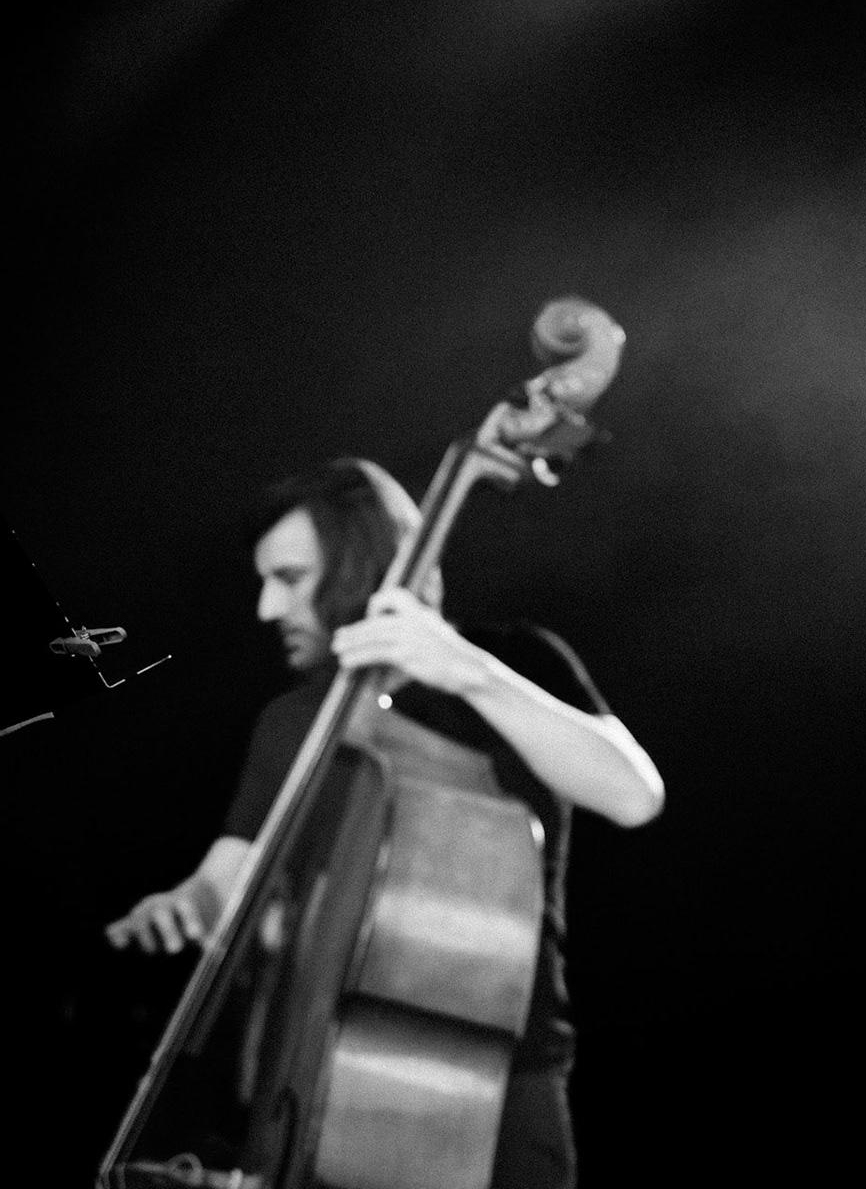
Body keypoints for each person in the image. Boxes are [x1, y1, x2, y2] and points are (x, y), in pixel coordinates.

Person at [106, 457, 664, 1189]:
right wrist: (187, 904)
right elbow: (228, 882)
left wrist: (466, 670)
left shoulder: (514, 661)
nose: (267, 609)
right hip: (304, 1078)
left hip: (496, 1086)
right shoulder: (293, 721)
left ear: (365, 563)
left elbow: (633, 794)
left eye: (291, 579)